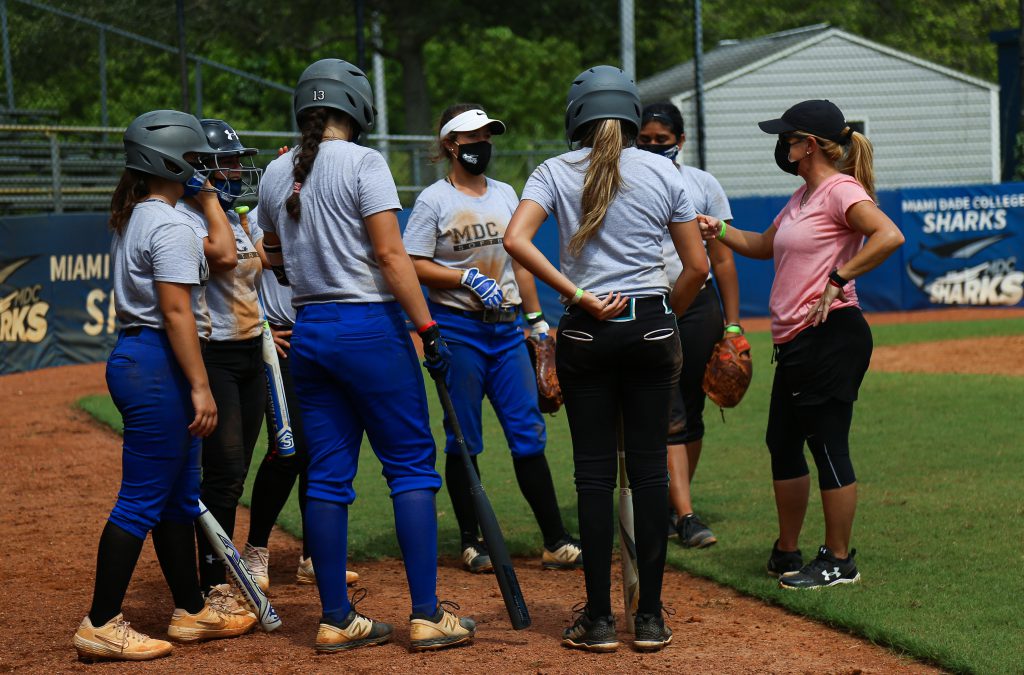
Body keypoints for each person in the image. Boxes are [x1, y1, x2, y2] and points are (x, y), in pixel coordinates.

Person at [257, 58, 474, 653]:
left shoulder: (277, 173)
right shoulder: (365, 162)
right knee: (410, 467)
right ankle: (427, 615)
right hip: (368, 327)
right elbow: (390, 255)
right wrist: (427, 326)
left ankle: (335, 618)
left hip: (310, 330)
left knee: (326, 477)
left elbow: (271, 254)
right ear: (356, 106)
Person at [504, 66, 709, 653]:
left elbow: (516, 241)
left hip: (586, 329)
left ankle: (596, 619)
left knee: (593, 477)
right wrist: (661, 314)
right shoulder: (663, 170)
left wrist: (576, 295)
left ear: (578, 117)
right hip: (649, 324)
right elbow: (695, 267)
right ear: (629, 115)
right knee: (648, 474)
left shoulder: (552, 171)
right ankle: (648, 619)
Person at [697, 100, 903, 589]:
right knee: (782, 443)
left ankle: (839, 559)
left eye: (788, 137)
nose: (782, 145)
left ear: (808, 144)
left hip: (832, 336)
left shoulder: (840, 190)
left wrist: (840, 275)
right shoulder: (801, 197)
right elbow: (765, 246)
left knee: (827, 446)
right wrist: (718, 230)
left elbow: (888, 235)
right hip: (796, 341)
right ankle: (786, 551)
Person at [73, 110, 256, 663]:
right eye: (198, 159)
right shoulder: (172, 225)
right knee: (142, 500)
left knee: (180, 497)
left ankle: (192, 609)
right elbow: (177, 313)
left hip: (147, 359)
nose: (206, 169)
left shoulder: (143, 214)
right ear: (174, 160)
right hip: (158, 362)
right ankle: (101, 622)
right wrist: (201, 388)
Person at [403, 103, 583, 574]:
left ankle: (555, 539)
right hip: (458, 331)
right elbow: (413, 263)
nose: (481, 145)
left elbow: (519, 262)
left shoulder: (505, 194)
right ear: (450, 146)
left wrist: (538, 321)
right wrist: (462, 278)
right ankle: (470, 539)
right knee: (464, 439)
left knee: (527, 434)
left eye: (486, 136)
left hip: (506, 333)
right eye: (471, 138)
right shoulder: (433, 201)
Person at [637, 102, 742, 549]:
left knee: (692, 408)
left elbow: (721, 259)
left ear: (680, 140)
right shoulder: (629, 181)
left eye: (662, 140)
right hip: (652, 301)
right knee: (668, 409)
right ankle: (684, 513)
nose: (654, 146)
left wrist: (734, 325)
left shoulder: (702, 184)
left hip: (699, 305)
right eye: (645, 140)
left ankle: (674, 506)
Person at [242, 204, 360, 592]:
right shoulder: (259, 210)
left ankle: (315, 556)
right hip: (281, 341)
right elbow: (249, 270)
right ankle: (255, 550)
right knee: (288, 449)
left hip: (322, 335)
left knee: (320, 448)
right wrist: (260, 330)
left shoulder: (332, 203)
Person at [174, 119, 267, 611]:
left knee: (235, 472)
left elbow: (259, 269)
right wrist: (208, 197)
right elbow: (227, 262)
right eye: (223, 163)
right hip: (217, 354)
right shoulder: (189, 220)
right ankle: (212, 585)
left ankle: (221, 574)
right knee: (223, 475)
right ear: (196, 171)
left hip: (252, 350)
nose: (234, 170)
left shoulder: (233, 216)